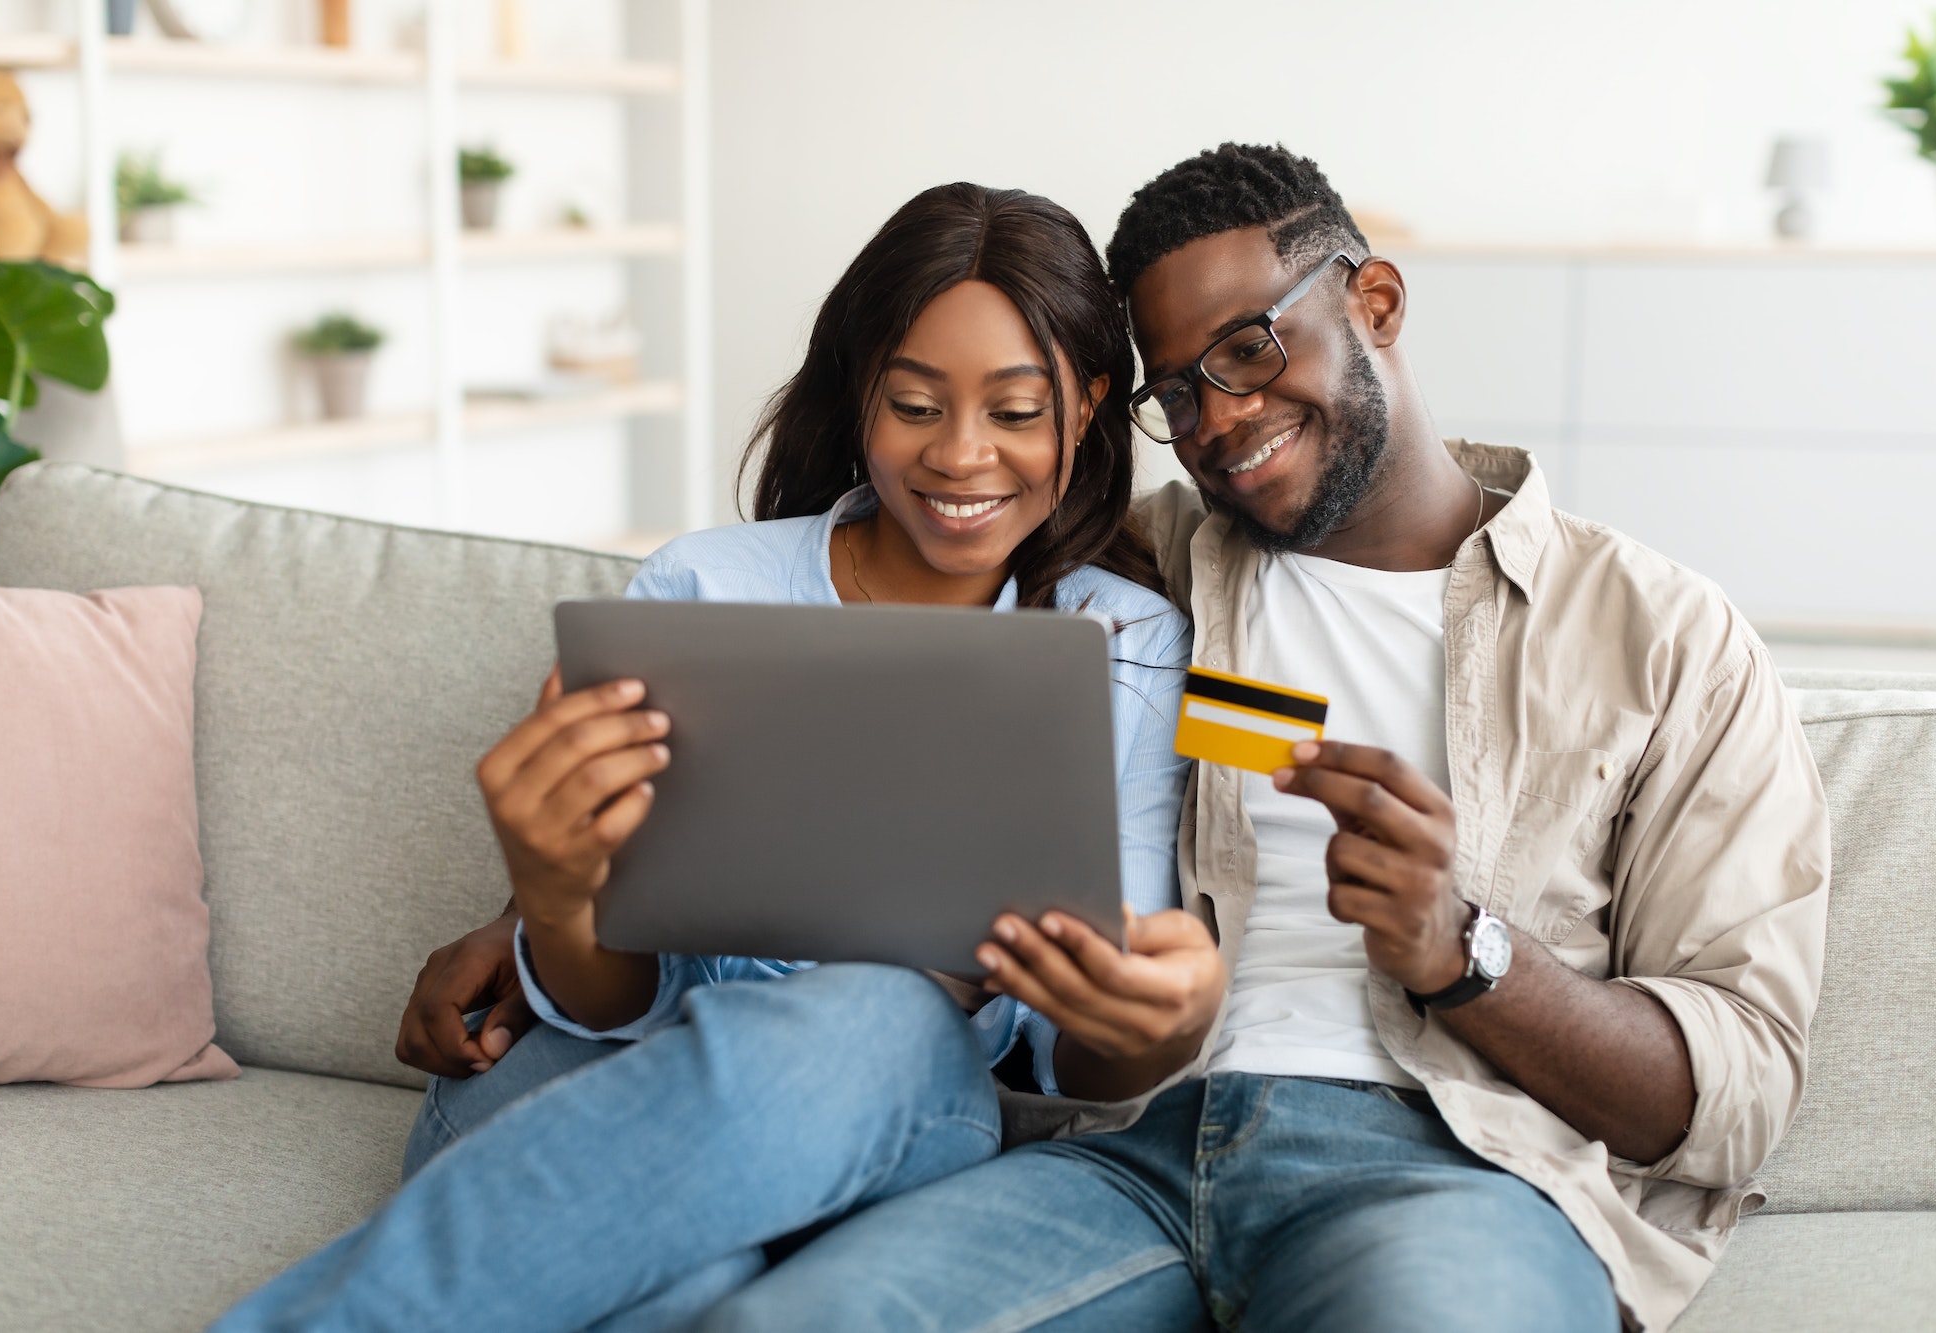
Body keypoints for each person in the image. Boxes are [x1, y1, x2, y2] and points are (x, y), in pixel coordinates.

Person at [688, 144, 1832, 1333]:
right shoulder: (1129, 578)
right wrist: (544, 924)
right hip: (1120, 1152)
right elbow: (827, 679)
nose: (1218, 419)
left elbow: (1730, 1092)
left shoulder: (1659, 637)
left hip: (1447, 1173)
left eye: (1247, 348)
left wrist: (1460, 949)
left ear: (1373, 302)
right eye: (1174, 391)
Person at [210, 182, 1214, 1333]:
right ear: (858, 399)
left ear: (1085, 407)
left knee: (881, 1016)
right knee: (684, 1294)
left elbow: (1079, 1052)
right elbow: (605, 999)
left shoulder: (1122, 648)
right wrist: (549, 894)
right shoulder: (702, 585)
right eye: (913, 404)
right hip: (593, 1083)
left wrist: (1145, 1016)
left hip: (889, 1094)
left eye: (1016, 411)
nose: (961, 455)